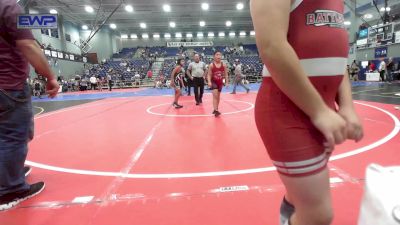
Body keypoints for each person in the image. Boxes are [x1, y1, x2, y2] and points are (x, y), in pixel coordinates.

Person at [250, 1, 364, 225]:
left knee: (298, 197)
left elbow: (333, 51)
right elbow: (272, 46)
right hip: (287, 112)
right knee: (317, 213)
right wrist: (319, 111)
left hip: (322, 111)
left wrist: (347, 105)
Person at [0, 0, 59, 211]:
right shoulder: (7, 7)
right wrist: (50, 76)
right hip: (7, 85)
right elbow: (28, 44)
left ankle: (9, 172)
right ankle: (10, 190)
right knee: (13, 136)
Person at [207, 51, 229, 117]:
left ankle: (216, 109)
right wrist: (209, 81)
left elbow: (226, 74)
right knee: (215, 95)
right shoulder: (211, 65)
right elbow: (209, 75)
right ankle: (215, 110)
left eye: (220, 55)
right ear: (214, 56)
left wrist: (227, 82)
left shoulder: (224, 65)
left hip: (220, 82)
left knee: (218, 96)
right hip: (213, 82)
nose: (218, 56)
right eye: (217, 54)